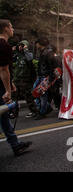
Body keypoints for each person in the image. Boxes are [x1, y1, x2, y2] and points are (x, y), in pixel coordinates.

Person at [0, 19, 32, 156]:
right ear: (6, 28)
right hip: (0, 86)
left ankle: (15, 144)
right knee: (3, 113)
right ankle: (15, 144)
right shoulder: (4, 45)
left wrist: (10, 83)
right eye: (11, 27)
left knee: (3, 116)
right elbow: (3, 69)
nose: (13, 29)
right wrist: (7, 90)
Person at [33, 37, 57, 120]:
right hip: (40, 76)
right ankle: (47, 107)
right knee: (35, 92)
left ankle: (42, 112)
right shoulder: (43, 52)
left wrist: (50, 78)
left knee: (42, 95)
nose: (36, 45)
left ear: (40, 44)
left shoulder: (48, 52)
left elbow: (52, 66)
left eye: (36, 43)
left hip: (45, 77)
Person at [12, 40, 37, 118]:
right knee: (14, 97)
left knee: (28, 96)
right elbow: (11, 59)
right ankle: (14, 112)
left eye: (22, 45)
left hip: (25, 79)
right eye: (20, 45)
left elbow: (29, 59)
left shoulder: (28, 54)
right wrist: (14, 50)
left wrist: (25, 50)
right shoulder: (18, 55)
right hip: (16, 79)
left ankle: (34, 111)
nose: (20, 47)